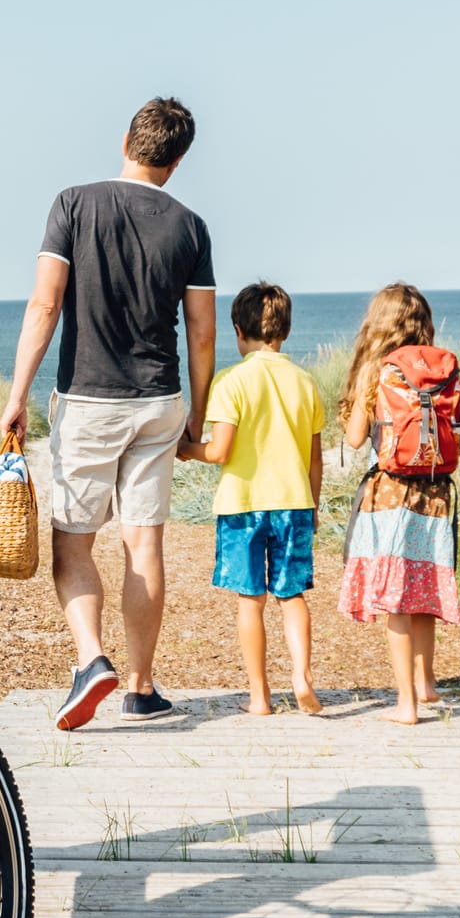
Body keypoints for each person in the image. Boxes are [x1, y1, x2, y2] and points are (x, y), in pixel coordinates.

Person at [0, 97, 217, 729]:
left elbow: (45, 307)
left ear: (126, 139)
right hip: (159, 402)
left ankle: (92, 658)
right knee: (144, 544)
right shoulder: (191, 227)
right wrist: (196, 418)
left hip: (89, 401)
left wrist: (17, 396)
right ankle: (142, 688)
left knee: (74, 543)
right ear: (178, 159)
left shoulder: (73, 203)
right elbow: (200, 333)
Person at [336, 283, 460, 725]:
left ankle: (405, 703)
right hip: (436, 493)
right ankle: (426, 685)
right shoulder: (444, 370)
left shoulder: (377, 370)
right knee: (422, 589)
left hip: (389, 493)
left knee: (396, 600)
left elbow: (353, 438)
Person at [176, 283, 325, 716]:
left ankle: (259, 697)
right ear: (286, 330)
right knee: (292, 595)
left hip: (242, 506)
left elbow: (219, 451)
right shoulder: (305, 382)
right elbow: (315, 460)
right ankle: (301, 677)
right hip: (295, 502)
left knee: (250, 600)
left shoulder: (231, 381)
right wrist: (312, 506)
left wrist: (186, 449)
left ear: (238, 331)